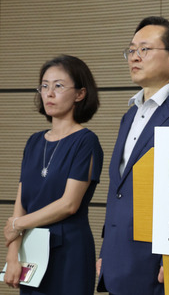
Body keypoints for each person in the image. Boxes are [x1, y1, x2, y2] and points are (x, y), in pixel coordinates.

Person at [96, 16, 169, 295]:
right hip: (118, 257)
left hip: (154, 267)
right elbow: (119, 188)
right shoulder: (131, 114)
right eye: (131, 50)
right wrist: (106, 250)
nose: (134, 57)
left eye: (145, 50)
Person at [3, 55, 103, 294]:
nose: (49, 93)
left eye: (58, 86)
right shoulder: (34, 142)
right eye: (44, 86)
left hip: (70, 251)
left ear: (80, 94)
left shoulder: (86, 141)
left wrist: (18, 224)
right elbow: (21, 203)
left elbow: (69, 204)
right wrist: (12, 255)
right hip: (32, 251)